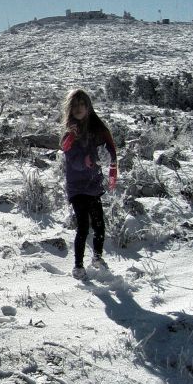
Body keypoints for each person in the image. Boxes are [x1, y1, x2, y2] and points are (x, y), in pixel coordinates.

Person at [60, 88, 118, 279]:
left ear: (88, 106)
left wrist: (106, 156)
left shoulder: (97, 128)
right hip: (77, 187)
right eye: (74, 105)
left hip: (93, 185)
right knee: (83, 226)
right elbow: (71, 157)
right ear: (70, 109)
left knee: (100, 224)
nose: (78, 108)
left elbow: (107, 148)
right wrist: (84, 162)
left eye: (81, 104)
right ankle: (78, 265)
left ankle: (97, 258)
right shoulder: (71, 133)